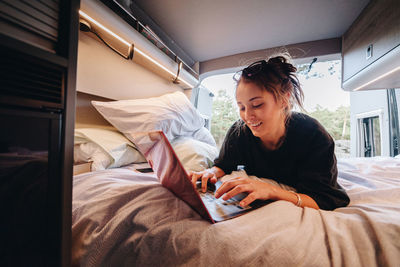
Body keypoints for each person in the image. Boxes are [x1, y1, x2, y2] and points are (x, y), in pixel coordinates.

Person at [189, 55, 350, 210]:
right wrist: (209, 173)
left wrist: (271, 191)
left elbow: (326, 199)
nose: (247, 116)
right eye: (241, 107)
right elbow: (224, 165)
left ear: (283, 100)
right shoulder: (239, 132)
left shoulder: (314, 135)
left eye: (257, 104)